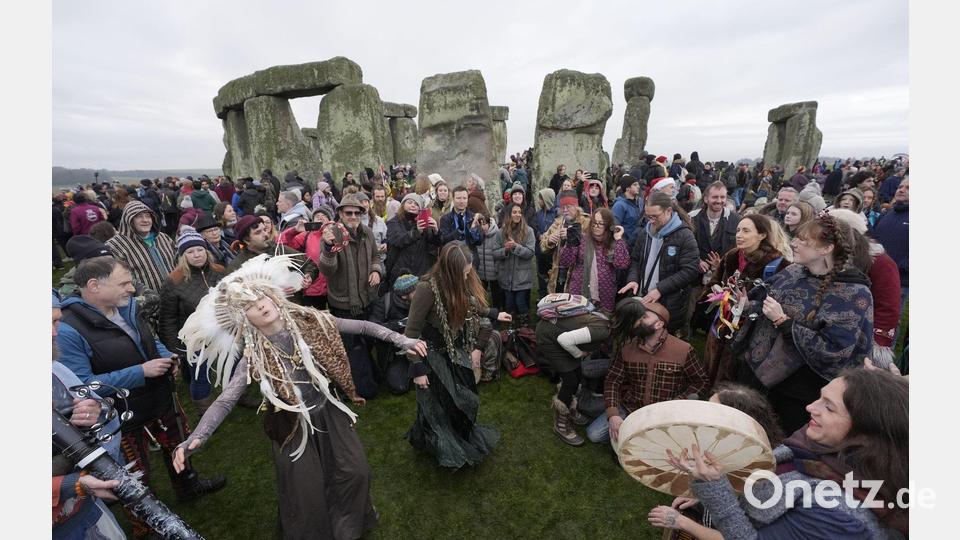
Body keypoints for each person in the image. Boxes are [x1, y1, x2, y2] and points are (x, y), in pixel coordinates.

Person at [174, 255, 427, 540]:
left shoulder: (310, 321)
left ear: (272, 296)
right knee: (305, 496)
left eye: (261, 297)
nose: (259, 304)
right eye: (248, 305)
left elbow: (365, 327)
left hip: (327, 413)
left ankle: (348, 529)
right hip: (290, 426)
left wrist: (403, 340)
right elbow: (226, 399)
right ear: (243, 319)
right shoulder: (253, 356)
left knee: (355, 473)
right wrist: (199, 435)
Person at [57, 256, 226, 538]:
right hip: (122, 417)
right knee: (135, 474)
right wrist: (140, 372)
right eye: (123, 283)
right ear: (94, 286)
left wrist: (164, 357)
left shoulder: (127, 306)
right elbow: (82, 385)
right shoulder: (68, 329)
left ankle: (188, 485)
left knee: (178, 446)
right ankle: (144, 523)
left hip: (159, 399)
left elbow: (150, 338)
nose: (132, 289)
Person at [670, 368, 908, 538]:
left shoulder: (838, 515)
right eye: (820, 397)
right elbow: (772, 477)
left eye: (829, 406)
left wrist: (714, 488)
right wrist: (726, 489)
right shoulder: (824, 443)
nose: (810, 407)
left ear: (866, 431)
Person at [733, 213, 873, 433]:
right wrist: (743, 302)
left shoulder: (853, 294)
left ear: (826, 248)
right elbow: (761, 300)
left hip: (798, 391)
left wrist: (783, 321)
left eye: (803, 241)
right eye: (796, 238)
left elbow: (835, 350)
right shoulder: (793, 271)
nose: (794, 244)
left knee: (780, 441)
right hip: (757, 375)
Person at [403, 241, 510, 467]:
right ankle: (443, 447)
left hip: (456, 352)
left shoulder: (458, 282)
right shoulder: (426, 290)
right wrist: (417, 369)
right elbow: (410, 332)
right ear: (450, 270)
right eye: (463, 273)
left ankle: (459, 437)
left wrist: (493, 313)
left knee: (466, 400)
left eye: (468, 272)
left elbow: (469, 303)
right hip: (433, 358)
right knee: (439, 408)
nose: (466, 277)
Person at [52, 290, 126, 540]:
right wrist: (69, 484)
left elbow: (99, 408)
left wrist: (94, 411)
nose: (54, 333)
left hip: (84, 511)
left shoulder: (56, 370)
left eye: (55, 321)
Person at [586, 299, 709, 444]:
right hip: (630, 409)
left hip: (665, 415)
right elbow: (613, 380)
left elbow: (701, 382)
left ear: (659, 324)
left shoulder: (683, 349)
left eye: (644, 317)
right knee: (594, 435)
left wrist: (677, 403)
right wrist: (613, 414)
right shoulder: (626, 348)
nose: (638, 320)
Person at [701, 214, 790, 387]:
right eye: (738, 230)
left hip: (749, 333)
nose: (739, 235)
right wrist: (716, 289)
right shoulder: (732, 255)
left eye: (746, 231)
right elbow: (714, 281)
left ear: (762, 235)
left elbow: (779, 302)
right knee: (713, 368)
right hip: (722, 325)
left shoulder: (778, 264)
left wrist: (748, 305)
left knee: (733, 379)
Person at [158, 228, 227, 414]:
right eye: (190, 251)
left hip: (221, 331)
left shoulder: (218, 271)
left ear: (207, 251)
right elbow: (167, 317)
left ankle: (236, 395)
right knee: (200, 374)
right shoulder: (174, 280)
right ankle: (205, 411)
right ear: (183, 256)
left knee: (230, 364)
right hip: (193, 337)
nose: (196, 255)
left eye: (200, 249)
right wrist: (175, 347)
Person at [828, 208, 902, 369]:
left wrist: (877, 344)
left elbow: (887, 306)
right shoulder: (829, 256)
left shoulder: (880, 262)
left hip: (862, 333)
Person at [620, 192, 700, 334]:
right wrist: (633, 279)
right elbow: (636, 260)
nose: (651, 221)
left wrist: (660, 289)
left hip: (669, 302)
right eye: (648, 216)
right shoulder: (645, 233)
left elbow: (690, 271)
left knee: (661, 339)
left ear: (669, 210)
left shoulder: (685, 236)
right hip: (644, 296)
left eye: (655, 216)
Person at [104, 201, 176, 324]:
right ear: (129, 220)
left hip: (175, 301)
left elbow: (178, 263)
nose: (145, 220)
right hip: (146, 309)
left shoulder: (163, 238)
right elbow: (117, 279)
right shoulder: (115, 245)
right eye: (139, 216)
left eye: (148, 216)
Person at [558, 208, 631, 314]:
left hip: (604, 296)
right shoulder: (582, 240)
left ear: (608, 225)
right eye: (594, 223)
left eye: (600, 223)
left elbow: (622, 264)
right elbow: (565, 262)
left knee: (600, 326)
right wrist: (570, 243)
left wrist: (618, 239)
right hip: (579, 292)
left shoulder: (614, 243)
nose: (596, 226)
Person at [871, 177, 908, 347]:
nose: (902, 189)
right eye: (901, 186)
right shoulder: (888, 214)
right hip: (873, 274)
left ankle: (883, 353)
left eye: (908, 188)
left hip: (899, 280)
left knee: (889, 318)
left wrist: (903, 266)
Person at [277, 208, 334, 309]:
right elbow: (281, 244)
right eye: (317, 216)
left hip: (334, 289)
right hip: (313, 288)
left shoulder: (337, 235)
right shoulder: (306, 236)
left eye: (324, 216)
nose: (320, 217)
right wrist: (294, 230)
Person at [541, 190, 593, 294]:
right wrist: (549, 241)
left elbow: (593, 245)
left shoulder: (587, 222)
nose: (565, 210)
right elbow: (542, 245)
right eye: (563, 207)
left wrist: (571, 235)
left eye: (568, 207)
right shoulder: (558, 223)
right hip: (558, 274)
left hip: (578, 275)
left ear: (576, 206)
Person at [493, 203, 536, 326]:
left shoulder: (529, 231)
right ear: (509, 215)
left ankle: (525, 328)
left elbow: (530, 253)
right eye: (514, 212)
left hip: (522, 278)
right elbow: (495, 253)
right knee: (509, 304)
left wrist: (516, 247)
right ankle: (511, 331)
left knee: (520, 303)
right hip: (506, 277)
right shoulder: (501, 232)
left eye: (519, 212)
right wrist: (505, 250)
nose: (517, 215)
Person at [385, 193, 441, 284]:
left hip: (421, 271)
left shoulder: (424, 222)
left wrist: (436, 231)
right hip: (399, 272)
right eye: (409, 202)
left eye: (416, 204)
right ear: (403, 205)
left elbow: (434, 244)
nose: (413, 205)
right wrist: (417, 232)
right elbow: (398, 240)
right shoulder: (394, 222)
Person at [532, 188, 559, 296]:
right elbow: (535, 227)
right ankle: (541, 296)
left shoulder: (556, 215)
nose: (538, 201)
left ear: (546, 199)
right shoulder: (538, 214)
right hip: (540, 251)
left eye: (540, 199)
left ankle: (551, 297)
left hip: (552, 253)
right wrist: (539, 235)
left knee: (551, 277)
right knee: (541, 275)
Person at [612, 174, 643, 247]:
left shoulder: (640, 202)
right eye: (635, 185)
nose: (638, 187)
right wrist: (621, 243)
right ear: (627, 188)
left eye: (638, 184)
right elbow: (615, 227)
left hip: (637, 243)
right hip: (626, 244)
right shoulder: (619, 205)